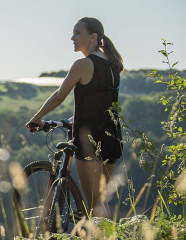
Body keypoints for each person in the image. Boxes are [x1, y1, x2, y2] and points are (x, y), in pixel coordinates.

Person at [27, 17, 123, 218]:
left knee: (94, 206)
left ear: (93, 37)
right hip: (112, 138)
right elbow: (99, 106)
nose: (73, 38)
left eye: (78, 33)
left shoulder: (83, 64)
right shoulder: (112, 65)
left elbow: (58, 96)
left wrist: (37, 118)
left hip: (90, 139)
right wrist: (69, 121)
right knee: (100, 202)